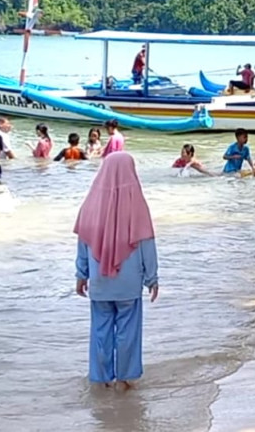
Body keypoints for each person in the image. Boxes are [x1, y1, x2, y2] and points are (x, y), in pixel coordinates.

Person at [74, 152, 159, 390]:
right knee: (127, 332)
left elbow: (83, 243)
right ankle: (124, 378)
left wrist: (81, 275)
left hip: (100, 282)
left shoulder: (91, 204)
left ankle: (102, 379)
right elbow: (146, 244)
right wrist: (152, 278)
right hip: (129, 284)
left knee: (100, 331)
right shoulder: (138, 205)